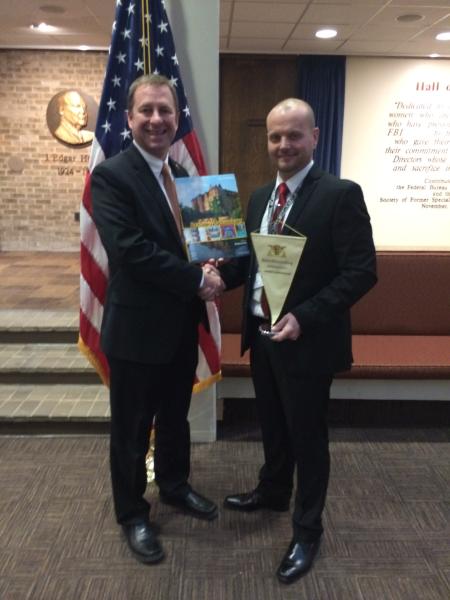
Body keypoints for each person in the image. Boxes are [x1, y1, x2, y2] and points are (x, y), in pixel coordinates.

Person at [220, 98, 377, 584]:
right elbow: (251, 265)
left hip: (307, 342)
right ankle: (272, 491)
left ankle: (307, 530)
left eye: (293, 135)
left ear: (314, 137)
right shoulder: (259, 197)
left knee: (307, 438)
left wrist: (304, 317)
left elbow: (361, 271)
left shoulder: (340, 194)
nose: (283, 144)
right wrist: (216, 275)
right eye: (275, 137)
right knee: (272, 424)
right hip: (262, 335)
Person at [91, 74, 224, 564]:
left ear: (176, 117)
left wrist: (214, 263)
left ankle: (174, 485)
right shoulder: (111, 176)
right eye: (146, 110)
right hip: (136, 332)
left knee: (174, 419)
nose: (156, 119)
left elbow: (196, 246)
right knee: (131, 430)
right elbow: (130, 251)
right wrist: (196, 280)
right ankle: (132, 513)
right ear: (129, 119)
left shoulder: (184, 176)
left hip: (179, 327)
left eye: (165, 110)